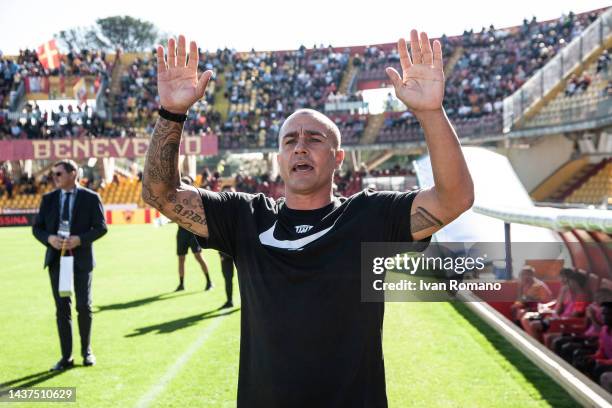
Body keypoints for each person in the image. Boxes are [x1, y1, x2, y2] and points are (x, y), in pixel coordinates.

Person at [143, 32, 474, 407]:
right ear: (279, 160)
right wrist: (172, 114)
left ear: (338, 158)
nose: (300, 146)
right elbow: (160, 194)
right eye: (290, 141)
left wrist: (431, 112)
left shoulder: (368, 216)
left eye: (314, 138)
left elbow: (454, 198)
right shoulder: (244, 217)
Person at [32, 159, 107, 371]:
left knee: (83, 306)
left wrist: (80, 239)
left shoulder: (91, 198)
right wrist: (49, 239)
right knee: (62, 309)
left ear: (73, 173)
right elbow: (37, 228)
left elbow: (101, 228)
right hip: (58, 260)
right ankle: (66, 357)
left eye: (58, 174)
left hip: (81, 259)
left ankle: (87, 351)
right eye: (53, 174)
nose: (54, 178)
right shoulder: (48, 199)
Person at [174, 176, 212, 291]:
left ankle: (209, 282)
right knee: (181, 258)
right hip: (181, 232)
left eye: (185, 184)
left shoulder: (195, 198)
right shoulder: (176, 199)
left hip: (193, 232)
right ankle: (181, 284)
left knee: (198, 256)